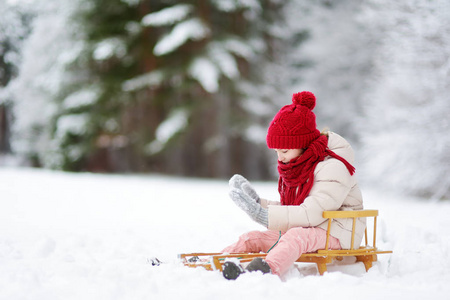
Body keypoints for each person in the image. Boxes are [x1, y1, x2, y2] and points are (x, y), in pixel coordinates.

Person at [222, 91, 365, 280]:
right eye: (276, 152)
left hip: (337, 230)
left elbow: (312, 212)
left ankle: (264, 271)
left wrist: (263, 216)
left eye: (284, 150)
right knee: (253, 237)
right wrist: (259, 203)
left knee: (295, 236)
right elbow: (295, 209)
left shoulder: (333, 167)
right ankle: (218, 261)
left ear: (303, 144)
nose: (280, 157)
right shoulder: (301, 167)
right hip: (311, 226)